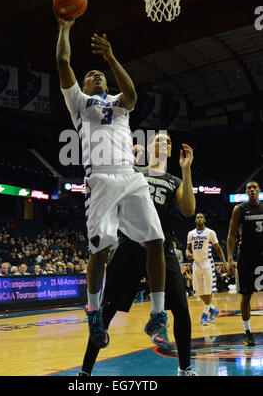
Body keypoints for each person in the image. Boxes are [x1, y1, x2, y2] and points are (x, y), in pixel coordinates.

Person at [56, 17, 167, 350]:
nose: (95, 75)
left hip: (130, 175)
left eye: (99, 74)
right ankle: (92, 311)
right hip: (101, 178)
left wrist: (111, 58)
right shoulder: (78, 103)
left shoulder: (119, 104)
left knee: (156, 240)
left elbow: (132, 96)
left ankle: (157, 316)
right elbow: (63, 61)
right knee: (101, 249)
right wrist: (64, 27)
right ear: (84, 87)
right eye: (90, 76)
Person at [78, 131, 198, 376]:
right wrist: (126, 165)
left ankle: (185, 369)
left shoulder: (173, 179)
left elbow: (188, 209)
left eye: (169, 141)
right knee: (105, 312)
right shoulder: (136, 172)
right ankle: (85, 373)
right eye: (158, 139)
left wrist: (186, 170)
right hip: (129, 246)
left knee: (182, 310)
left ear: (172, 151)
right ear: (149, 146)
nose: (164, 141)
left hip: (162, 249)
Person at [227, 180, 263, 346]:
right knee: (246, 296)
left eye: (254, 187)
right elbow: (232, 234)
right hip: (246, 257)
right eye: (249, 188)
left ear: (259, 190)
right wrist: (229, 259)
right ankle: (247, 331)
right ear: (246, 192)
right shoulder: (239, 209)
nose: (252, 190)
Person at [186, 213, 227, 325]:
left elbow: (218, 248)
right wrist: (188, 254)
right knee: (198, 291)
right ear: (195, 220)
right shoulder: (191, 233)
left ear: (204, 220)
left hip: (207, 262)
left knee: (208, 290)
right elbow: (188, 249)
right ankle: (212, 309)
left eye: (201, 217)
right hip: (196, 263)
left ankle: (204, 315)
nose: (199, 218)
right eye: (197, 217)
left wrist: (224, 262)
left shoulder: (210, 232)